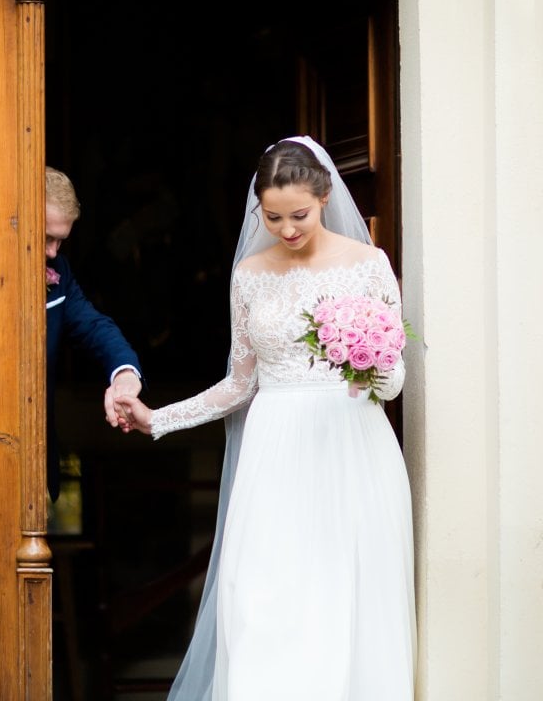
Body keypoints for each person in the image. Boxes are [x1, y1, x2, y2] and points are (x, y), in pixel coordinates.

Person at [117, 137, 415, 700]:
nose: (287, 229)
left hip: (353, 445)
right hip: (275, 451)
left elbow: (395, 381)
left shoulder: (369, 264)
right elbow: (240, 382)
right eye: (272, 217)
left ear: (325, 196)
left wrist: (367, 366)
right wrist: (157, 420)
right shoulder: (249, 275)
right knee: (262, 596)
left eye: (298, 215)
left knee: (349, 594)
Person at [45, 166, 143, 500]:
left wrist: (125, 373)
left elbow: (93, 326)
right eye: (46, 237)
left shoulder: (58, 271)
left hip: (36, 460)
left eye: (60, 240)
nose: (53, 252)